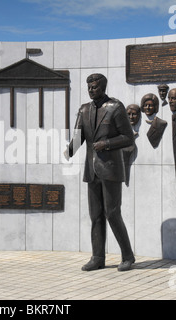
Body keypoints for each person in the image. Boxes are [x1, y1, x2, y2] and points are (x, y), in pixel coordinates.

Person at [64, 73, 135, 272]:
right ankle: (97, 257)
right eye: (89, 87)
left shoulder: (115, 107)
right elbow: (78, 138)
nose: (91, 90)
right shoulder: (84, 110)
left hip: (111, 169)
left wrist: (107, 143)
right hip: (92, 169)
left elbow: (128, 138)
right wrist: (67, 151)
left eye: (94, 87)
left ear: (103, 87)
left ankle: (128, 256)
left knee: (112, 213)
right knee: (95, 215)